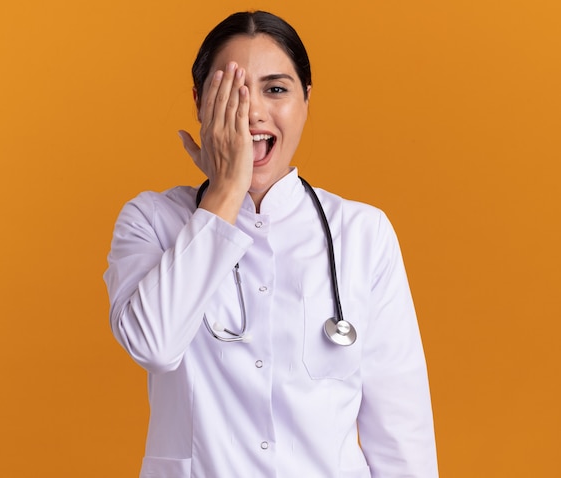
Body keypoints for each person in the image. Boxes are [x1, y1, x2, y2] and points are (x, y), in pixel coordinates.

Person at [104, 10, 438, 478]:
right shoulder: (151, 221)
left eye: (276, 89)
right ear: (200, 101)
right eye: (231, 92)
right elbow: (153, 345)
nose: (254, 111)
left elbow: (402, 436)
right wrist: (224, 192)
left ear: (306, 100)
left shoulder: (363, 233)